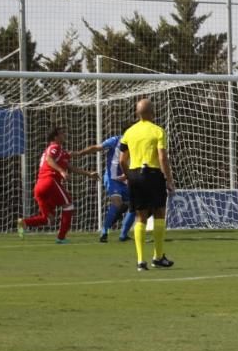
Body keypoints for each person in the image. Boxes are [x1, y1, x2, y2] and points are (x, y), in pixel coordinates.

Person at [119, 98, 175, 271]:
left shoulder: (129, 132)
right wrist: (169, 179)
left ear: (137, 113)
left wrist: (129, 176)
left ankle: (140, 261)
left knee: (140, 217)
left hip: (135, 175)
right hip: (153, 174)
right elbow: (162, 157)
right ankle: (158, 257)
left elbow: (122, 160)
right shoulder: (158, 131)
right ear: (153, 112)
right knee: (159, 213)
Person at [17, 125, 99, 243]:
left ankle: (24, 222)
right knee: (68, 205)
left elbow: (71, 166)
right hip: (49, 181)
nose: (64, 135)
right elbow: (49, 159)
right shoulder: (54, 147)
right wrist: (61, 171)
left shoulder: (61, 152)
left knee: (48, 219)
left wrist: (88, 173)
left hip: (39, 187)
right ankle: (61, 238)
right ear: (55, 137)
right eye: (61, 133)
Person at [74, 133, 137, 242]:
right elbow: (97, 147)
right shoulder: (115, 140)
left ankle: (123, 235)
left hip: (126, 179)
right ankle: (104, 232)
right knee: (117, 203)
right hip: (112, 179)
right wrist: (80, 153)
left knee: (134, 205)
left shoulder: (136, 143)